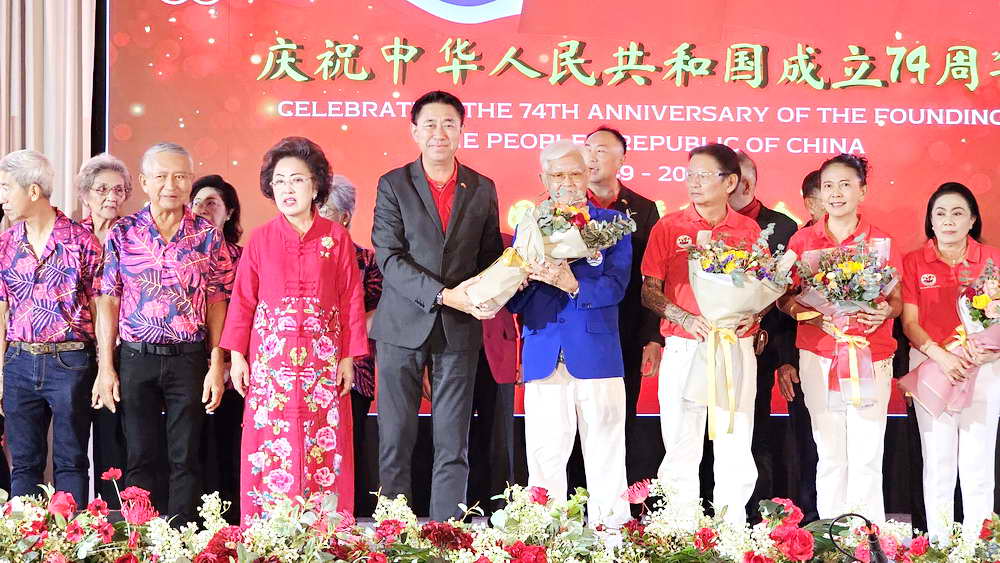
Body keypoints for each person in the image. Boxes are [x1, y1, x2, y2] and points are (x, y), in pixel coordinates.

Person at [371, 90, 504, 520]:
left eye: (449, 124)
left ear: (462, 130)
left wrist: (496, 288)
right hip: (401, 327)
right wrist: (443, 295)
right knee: (395, 437)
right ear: (415, 131)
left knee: (453, 440)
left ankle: (448, 530)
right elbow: (389, 257)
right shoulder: (393, 184)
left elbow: (489, 257)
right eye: (430, 124)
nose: (439, 133)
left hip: (459, 329)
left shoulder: (482, 187)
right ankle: (394, 528)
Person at [221, 137, 367, 521]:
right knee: (271, 443)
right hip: (272, 367)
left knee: (325, 441)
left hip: (323, 365)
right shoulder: (260, 238)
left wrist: (348, 358)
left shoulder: (337, 238)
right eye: (280, 181)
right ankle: (269, 533)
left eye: (297, 180)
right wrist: (237, 356)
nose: (287, 189)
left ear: (316, 186)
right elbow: (243, 300)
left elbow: (351, 300)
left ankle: (324, 532)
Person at [95, 142, 234, 524]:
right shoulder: (123, 232)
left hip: (189, 358)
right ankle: (140, 536)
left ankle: (181, 538)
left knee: (185, 455)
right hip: (136, 356)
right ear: (144, 181)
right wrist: (106, 367)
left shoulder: (207, 235)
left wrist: (216, 363)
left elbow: (218, 300)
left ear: (190, 180)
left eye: (180, 176)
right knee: (140, 454)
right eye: (161, 176)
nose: (170, 185)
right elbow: (108, 299)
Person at [507, 140, 632, 527]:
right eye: (557, 174)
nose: (566, 182)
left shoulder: (612, 224)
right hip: (543, 351)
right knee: (544, 456)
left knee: (606, 453)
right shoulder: (528, 225)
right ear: (543, 179)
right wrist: (521, 281)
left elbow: (617, 286)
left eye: (574, 173)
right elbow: (514, 301)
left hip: (596, 354)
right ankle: (545, 539)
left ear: (587, 174)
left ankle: (612, 538)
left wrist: (573, 283)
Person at [640, 143, 762, 526]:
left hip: (732, 345)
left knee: (735, 437)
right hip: (684, 344)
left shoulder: (748, 230)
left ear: (730, 183)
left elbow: (762, 287)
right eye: (690, 174)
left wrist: (753, 315)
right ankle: (681, 526)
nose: (693, 182)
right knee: (680, 438)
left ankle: (731, 527)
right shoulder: (669, 227)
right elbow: (648, 290)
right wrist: (685, 318)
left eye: (704, 175)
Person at [779, 154, 902, 522]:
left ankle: (867, 536)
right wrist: (808, 313)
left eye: (845, 185)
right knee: (830, 450)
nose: (836, 193)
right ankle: (830, 535)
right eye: (828, 186)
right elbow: (781, 296)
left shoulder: (882, 241)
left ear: (862, 191)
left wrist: (885, 312)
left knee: (867, 452)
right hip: (819, 354)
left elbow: (896, 300)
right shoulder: (801, 241)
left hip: (870, 353)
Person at [0, 150, 103, 504]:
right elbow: (2, 311)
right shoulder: (6, 243)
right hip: (18, 361)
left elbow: (100, 306)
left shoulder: (81, 241)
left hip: (70, 361)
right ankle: (23, 536)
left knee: (71, 461)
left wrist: (105, 366)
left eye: (6, 188)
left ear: (33, 190)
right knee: (24, 464)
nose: (2, 198)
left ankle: (68, 537)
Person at [901, 183, 1000, 539]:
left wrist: (991, 350)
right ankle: (939, 546)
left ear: (972, 220)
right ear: (930, 220)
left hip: (983, 366)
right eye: (940, 213)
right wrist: (941, 356)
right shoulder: (914, 261)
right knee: (938, 461)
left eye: (958, 213)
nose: (948, 221)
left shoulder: (993, 259)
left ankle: (978, 546)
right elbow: (909, 323)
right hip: (933, 366)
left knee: (978, 462)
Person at [583, 126, 663, 486]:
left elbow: (653, 278)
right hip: (581, 327)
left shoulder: (642, 209)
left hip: (625, 330)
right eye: (587, 149)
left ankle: (615, 498)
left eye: (601, 151)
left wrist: (652, 337)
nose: (591, 157)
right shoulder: (566, 208)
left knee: (619, 415)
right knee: (578, 416)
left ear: (621, 160)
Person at [729, 151, 800, 519]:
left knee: (755, 431)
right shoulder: (707, 225)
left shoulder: (783, 228)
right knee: (714, 431)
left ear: (748, 183)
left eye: (734, 180)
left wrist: (785, 356)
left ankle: (758, 516)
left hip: (764, 347)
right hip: (714, 345)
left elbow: (790, 295)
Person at [318, 174, 383, 516]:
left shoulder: (368, 261)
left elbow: (378, 316)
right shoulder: (301, 254)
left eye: (324, 209)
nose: (316, 214)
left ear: (344, 217)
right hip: (306, 369)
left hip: (354, 371)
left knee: (347, 447)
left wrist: (334, 333)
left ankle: (350, 520)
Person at [75, 152, 134, 506]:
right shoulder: (71, 236)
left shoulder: (132, 236)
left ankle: (115, 516)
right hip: (75, 350)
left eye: (118, 189)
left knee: (114, 441)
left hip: (120, 351)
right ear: (85, 194)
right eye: (102, 189)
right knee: (72, 443)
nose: (111, 196)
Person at [191, 174, 244, 522]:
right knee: (191, 452)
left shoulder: (243, 257)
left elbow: (248, 313)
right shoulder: (184, 254)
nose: (202, 209)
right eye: (196, 202)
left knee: (228, 450)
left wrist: (227, 361)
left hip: (232, 368)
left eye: (212, 203)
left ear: (229, 212)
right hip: (188, 365)